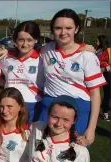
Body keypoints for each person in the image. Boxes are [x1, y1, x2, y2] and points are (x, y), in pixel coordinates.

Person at [37, 9, 106, 146]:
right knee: (42, 153)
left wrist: (91, 128)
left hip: (77, 110)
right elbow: (24, 49)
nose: (63, 33)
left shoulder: (87, 56)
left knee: (72, 155)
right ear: (52, 30)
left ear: (76, 29)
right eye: (58, 28)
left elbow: (95, 94)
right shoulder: (46, 50)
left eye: (68, 28)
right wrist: (5, 50)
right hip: (49, 108)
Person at [0, 21, 43, 122]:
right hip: (8, 106)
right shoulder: (6, 58)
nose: (25, 44)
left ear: (36, 40)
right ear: (15, 40)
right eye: (21, 40)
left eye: (29, 40)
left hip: (33, 106)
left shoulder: (42, 59)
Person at [98, 36, 111, 121]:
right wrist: (106, 65)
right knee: (108, 94)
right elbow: (101, 60)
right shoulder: (108, 51)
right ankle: (105, 112)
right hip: (109, 76)